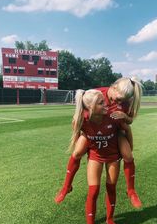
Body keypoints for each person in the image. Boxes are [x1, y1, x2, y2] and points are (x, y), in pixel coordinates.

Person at [55, 77, 142, 208]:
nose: (116, 102)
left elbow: (129, 122)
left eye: (121, 101)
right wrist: (82, 132)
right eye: (117, 98)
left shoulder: (125, 102)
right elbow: (80, 114)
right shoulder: (97, 94)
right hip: (93, 131)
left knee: (128, 156)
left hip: (115, 131)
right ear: (113, 87)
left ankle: (131, 191)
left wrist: (125, 116)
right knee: (77, 152)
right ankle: (66, 187)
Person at [67, 89, 130, 224]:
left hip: (113, 157)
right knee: (93, 191)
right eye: (101, 103)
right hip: (95, 157)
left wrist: (128, 149)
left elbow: (127, 129)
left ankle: (110, 220)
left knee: (111, 188)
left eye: (104, 101)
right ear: (90, 107)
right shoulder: (84, 119)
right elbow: (77, 131)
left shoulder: (113, 116)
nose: (106, 104)